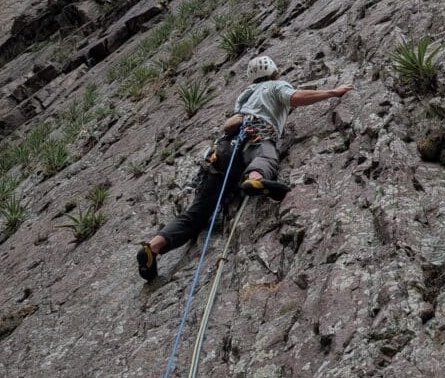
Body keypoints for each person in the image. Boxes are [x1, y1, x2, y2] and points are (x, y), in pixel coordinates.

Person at [137, 55, 352, 281]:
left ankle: (153, 247)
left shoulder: (245, 96)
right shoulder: (276, 85)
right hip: (256, 136)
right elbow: (295, 97)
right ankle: (255, 178)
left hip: (223, 149)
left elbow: (231, 123)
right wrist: (333, 92)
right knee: (265, 154)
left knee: (197, 213)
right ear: (274, 72)